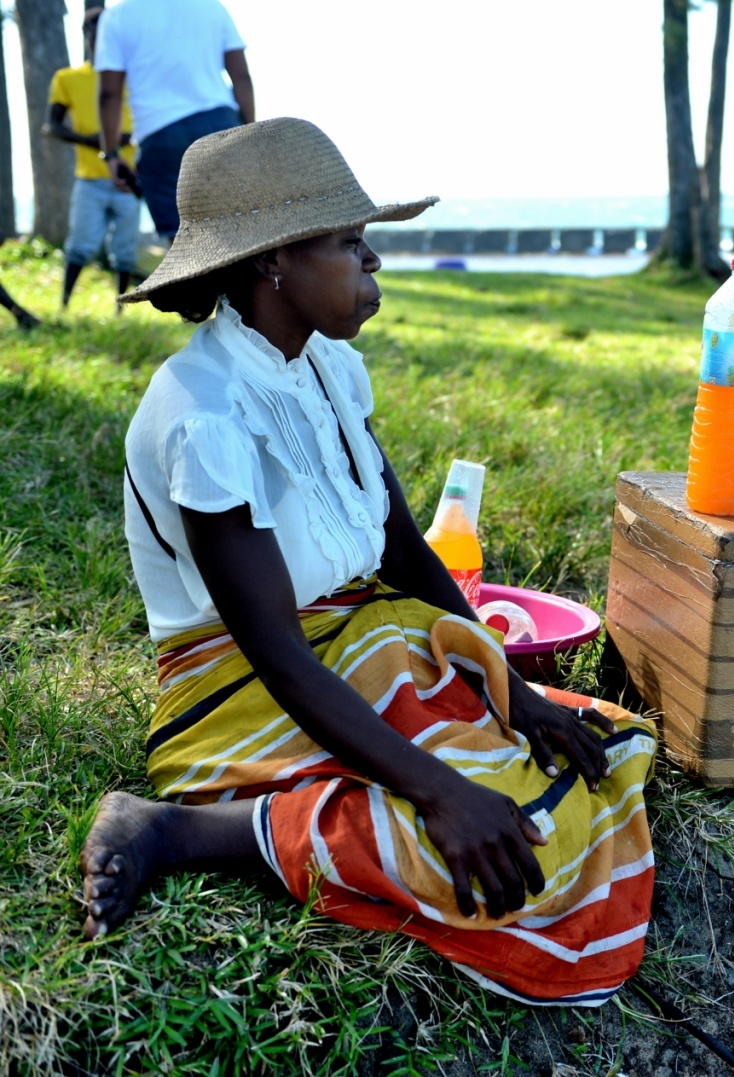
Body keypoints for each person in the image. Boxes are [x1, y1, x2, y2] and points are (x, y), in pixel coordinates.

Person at [79, 118, 658, 1006]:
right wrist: (436, 793)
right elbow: (273, 647)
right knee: (479, 836)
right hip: (239, 692)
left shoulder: (326, 370)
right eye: (351, 243)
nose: (372, 265)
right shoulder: (204, 412)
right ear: (274, 261)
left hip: (360, 641)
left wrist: (516, 689)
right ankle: (180, 830)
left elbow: (402, 550)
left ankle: (433, 772)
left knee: (591, 752)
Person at [94, 0, 254, 241]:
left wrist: (112, 154)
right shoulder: (211, 6)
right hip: (222, 124)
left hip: (161, 136)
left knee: (184, 247)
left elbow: (109, 94)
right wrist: (249, 133)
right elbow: (241, 77)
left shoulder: (117, 16)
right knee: (238, 230)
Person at [44, 6, 140, 308]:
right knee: (79, 246)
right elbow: (53, 126)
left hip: (130, 178)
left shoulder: (133, 77)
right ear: (85, 36)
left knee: (125, 250)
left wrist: (129, 138)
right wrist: (91, 140)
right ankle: (64, 305)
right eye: (94, 34)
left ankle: (120, 309)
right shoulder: (68, 78)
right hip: (89, 179)